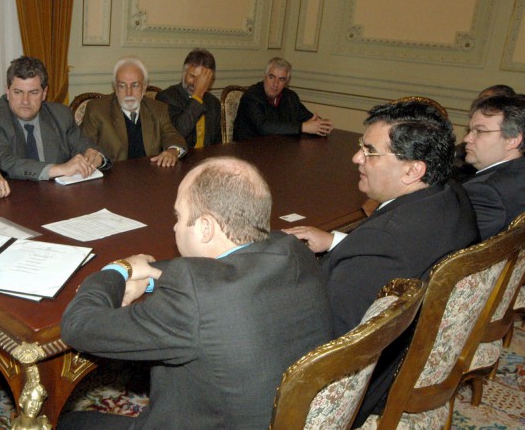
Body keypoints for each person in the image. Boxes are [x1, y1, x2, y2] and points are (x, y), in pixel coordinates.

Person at [59, 157, 332, 429]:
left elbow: (77, 326)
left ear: (205, 228)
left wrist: (118, 270)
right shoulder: (292, 249)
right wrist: (152, 274)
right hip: (283, 417)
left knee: (69, 422)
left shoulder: (195, 298)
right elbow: (224, 273)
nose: (175, 226)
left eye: (178, 216)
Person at [283, 99, 478, 425]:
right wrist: (335, 240)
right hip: (406, 353)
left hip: (365, 387)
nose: (356, 157)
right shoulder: (452, 196)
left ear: (413, 169)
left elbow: (325, 345)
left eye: (370, 151)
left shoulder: (382, 247)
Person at [0, 56, 111, 181]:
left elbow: (83, 145)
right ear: (8, 91)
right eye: (18, 92)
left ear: (44, 93)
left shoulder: (60, 115)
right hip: (12, 198)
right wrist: (59, 169)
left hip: (58, 197)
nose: (25, 101)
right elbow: (5, 162)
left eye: (33, 93)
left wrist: (95, 156)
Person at [80, 56, 188, 166]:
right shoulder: (97, 110)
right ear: (115, 89)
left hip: (150, 175)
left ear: (144, 88)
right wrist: (98, 158)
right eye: (122, 86)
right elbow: (85, 145)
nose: (129, 92)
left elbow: (174, 138)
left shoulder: (158, 109)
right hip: (113, 177)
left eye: (135, 85)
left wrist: (173, 151)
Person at [462, 95, 525, 239]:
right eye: (470, 130)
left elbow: (455, 251)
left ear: (512, 140)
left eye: (480, 131)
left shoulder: (486, 192)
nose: (467, 138)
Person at [233, 57, 332, 140]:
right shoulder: (252, 96)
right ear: (265, 77)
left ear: (286, 83)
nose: (275, 84)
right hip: (248, 153)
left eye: (281, 79)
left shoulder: (290, 97)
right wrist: (302, 127)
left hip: (279, 152)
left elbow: (308, 118)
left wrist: (320, 125)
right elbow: (263, 127)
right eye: (272, 77)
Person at [155, 48, 222, 148]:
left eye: (201, 80)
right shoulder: (166, 97)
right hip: (179, 160)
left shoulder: (214, 103)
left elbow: (217, 145)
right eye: (192, 76)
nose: (196, 83)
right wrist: (198, 94)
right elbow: (177, 134)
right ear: (184, 73)